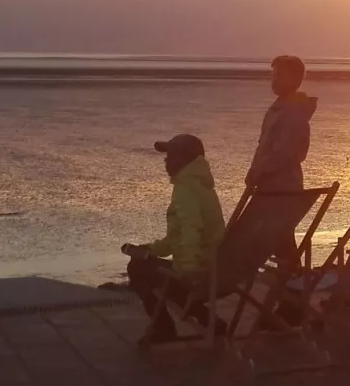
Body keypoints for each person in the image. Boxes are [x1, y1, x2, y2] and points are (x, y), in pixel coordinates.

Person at [123, 133, 227, 346]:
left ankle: (163, 329)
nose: (166, 161)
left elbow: (192, 229)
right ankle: (208, 319)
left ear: (187, 159)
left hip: (199, 271)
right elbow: (177, 239)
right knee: (144, 259)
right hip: (216, 269)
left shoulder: (185, 189)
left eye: (172, 156)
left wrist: (188, 270)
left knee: (137, 268)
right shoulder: (202, 186)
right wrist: (151, 249)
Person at [245, 55, 317, 194]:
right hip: (268, 184)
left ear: (295, 79)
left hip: (282, 188)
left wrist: (259, 171)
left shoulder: (294, 112)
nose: (274, 81)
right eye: (273, 76)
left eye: (279, 76)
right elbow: (264, 146)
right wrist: (255, 170)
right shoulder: (277, 109)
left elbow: (283, 152)